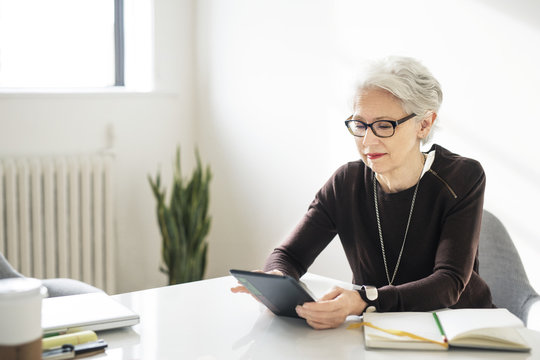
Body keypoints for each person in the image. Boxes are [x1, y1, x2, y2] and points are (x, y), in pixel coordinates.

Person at [231, 56, 494, 329]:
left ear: (424, 124)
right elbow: (289, 256)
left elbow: (448, 284)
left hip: (461, 330)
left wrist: (364, 300)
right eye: (359, 125)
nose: (367, 141)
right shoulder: (347, 182)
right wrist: (277, 279)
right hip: (381, 331)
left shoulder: (462, 177)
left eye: (383, 126)